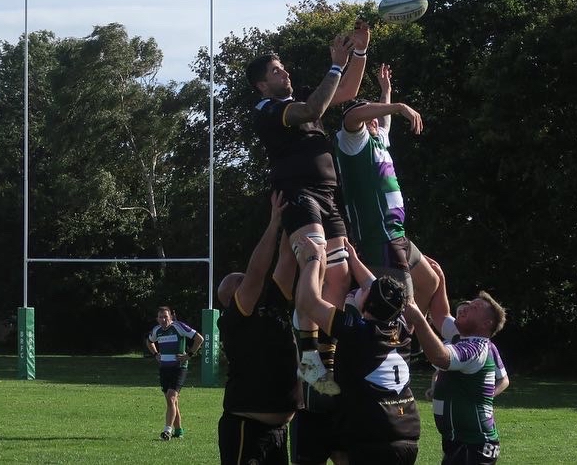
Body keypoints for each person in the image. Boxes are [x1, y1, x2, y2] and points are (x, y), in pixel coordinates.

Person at [246, 19, 370, 391]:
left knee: (340, 275)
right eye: (276, 71)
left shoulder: (297, 97)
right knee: (314, 263)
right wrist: (335, 64)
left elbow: (346, 90)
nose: (285, 72)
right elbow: (314, 110)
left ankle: (325, 359)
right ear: (262, 85)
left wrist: (359, 51)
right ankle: (309, 360)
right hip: (298, 192)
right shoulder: (268, 109)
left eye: (283, 67)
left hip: (328, 196)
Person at [335, 62, 448, 326]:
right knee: (402, 305)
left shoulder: (378, 139)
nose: (375, 120)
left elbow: (383, 122)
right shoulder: (352, 142)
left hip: (397, 234)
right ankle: (397, 337)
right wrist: (399, 106)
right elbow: (353, 116)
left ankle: (407, 332)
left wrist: (386, 91)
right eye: (370, 116)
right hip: (379, 238)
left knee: (430, 281)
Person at [295, 238, 420, 464]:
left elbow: (308, 302)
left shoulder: (356, 330)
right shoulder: (402, 329)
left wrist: (314, 259)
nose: (361, 289)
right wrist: (353, 259)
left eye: (365, 291)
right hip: (408, 437)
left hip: (374, 441)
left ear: (368, 304)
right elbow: (375, 289)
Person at [216, 191, 299, 465]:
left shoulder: (272, 302)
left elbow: (287, 259)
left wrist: (294, 214)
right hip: (246, 429)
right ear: (232, 297)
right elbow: (256, 273)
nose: (249, 282)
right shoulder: (234, 319)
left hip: (279, 431)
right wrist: (274, 223)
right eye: (240, 282)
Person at [404, 284, 507, 465]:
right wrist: (439, 279)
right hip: (458, 441)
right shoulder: (461, 337)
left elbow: (441, 358)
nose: (465, 308)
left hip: (474, 445)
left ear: (486, 324)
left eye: (474, 308)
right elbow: (441, 315)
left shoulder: (477, 347)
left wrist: (419, 321)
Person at [144, 306, 203, 440]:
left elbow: (199, 339)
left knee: (171, 397)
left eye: (166, 316)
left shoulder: (179, 327)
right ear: (157, 319)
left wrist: (189, 355)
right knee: (172, 402)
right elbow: (149, 341)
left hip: (179, 368)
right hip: (164, 369)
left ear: (170, 317)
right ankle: (179, 430)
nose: (163, 320)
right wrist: (155, 354)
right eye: (160, 317)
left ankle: (167, 431)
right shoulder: (157, 330)